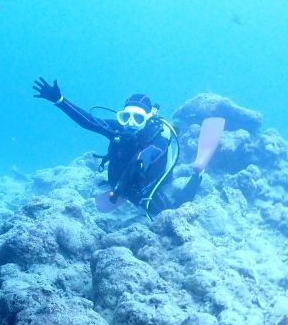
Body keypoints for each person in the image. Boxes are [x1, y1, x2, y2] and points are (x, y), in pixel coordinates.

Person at [32, 77, 201, 219]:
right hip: (122, 183)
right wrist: (60, 101)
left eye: (138, 118)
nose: (131, 123)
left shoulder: (157, 134)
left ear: (148, 118)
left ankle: (197, 175)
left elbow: (151, 152)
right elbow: (89, 122)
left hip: (147, 185)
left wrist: (141, 162)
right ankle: (124, 192)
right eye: (126, 116)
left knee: (172, 215)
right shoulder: (118, 129)